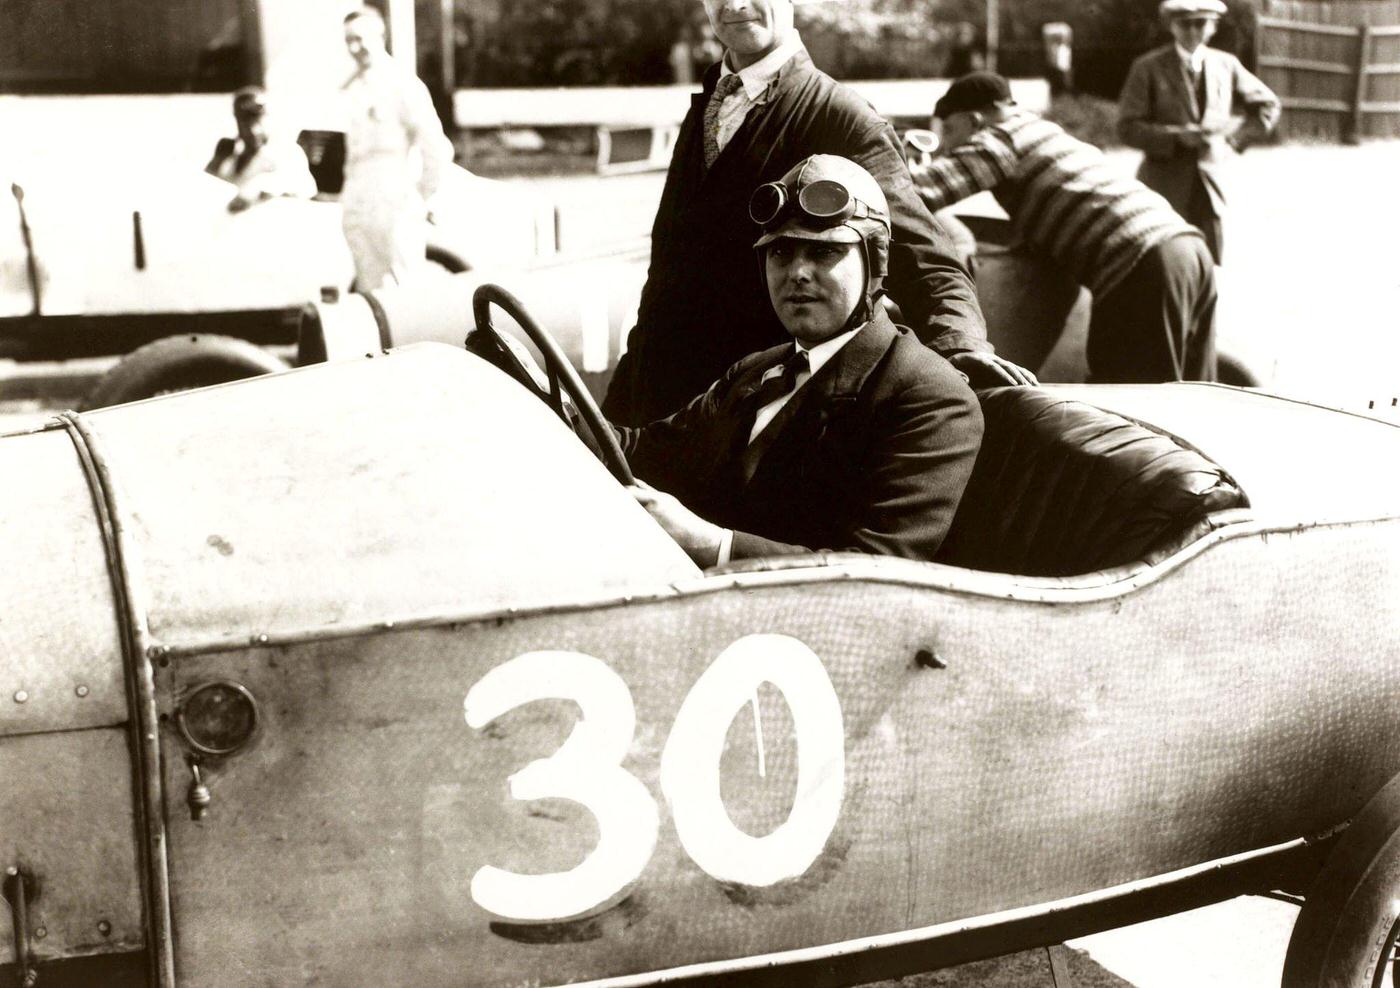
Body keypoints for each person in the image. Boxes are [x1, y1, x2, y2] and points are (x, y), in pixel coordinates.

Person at [602, 0, 1032, 428]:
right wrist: (617, 409)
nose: (733, 5)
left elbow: (924, 259)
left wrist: (961, 346)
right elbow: (669, 275)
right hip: (656, 410)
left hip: (751, 425)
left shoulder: (841, 117)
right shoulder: (711, 102)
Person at [617, 155, 983, 567]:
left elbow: (878, 567)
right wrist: (546, 396)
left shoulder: (928, 398)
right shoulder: (757, 371)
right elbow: (646, 451)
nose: (797, 273)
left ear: (876, 263)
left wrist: (715, 545)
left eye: (825, 251)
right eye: (781, 252)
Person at [910, 72, 1217, 383]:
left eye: (947, 131)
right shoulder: (1044, 132)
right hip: (1187, 248)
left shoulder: (1000, 138)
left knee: (1130, 403)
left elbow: (917, 194)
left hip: (1141, 265)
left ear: (974, 121)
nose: (945, 147)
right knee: (1193, 398)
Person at [1117, 0, 1280, 265]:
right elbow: (1126, 127)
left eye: (1201, 24)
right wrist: (1175, 136)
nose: (1193, 31)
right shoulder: (1148, 67)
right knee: (1163, 267)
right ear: (1171, 26)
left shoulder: (1226, 65)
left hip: (1210, 187)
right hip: (1163, 186)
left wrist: (1233, 140)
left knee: (1208, 267)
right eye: (1185, 24)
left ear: (1213, 27)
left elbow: (1268, 105)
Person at [340, 5, 455, 290]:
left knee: (403, 286)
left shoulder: (402, 84)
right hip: (360, 199)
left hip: (394, 197)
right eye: (349, 40)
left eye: (360, 38)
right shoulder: (352, 88)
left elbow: (436, 146)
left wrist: (423, 197)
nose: (355, 47)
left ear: (380, 36)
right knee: (368, 287)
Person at [204, 88, 315, 213]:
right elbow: (205, 187)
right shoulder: (228, 150)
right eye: (244, 121)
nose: (253, 129)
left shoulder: (286, 152)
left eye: (258, 119)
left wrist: (259, 189)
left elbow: (304, 192)